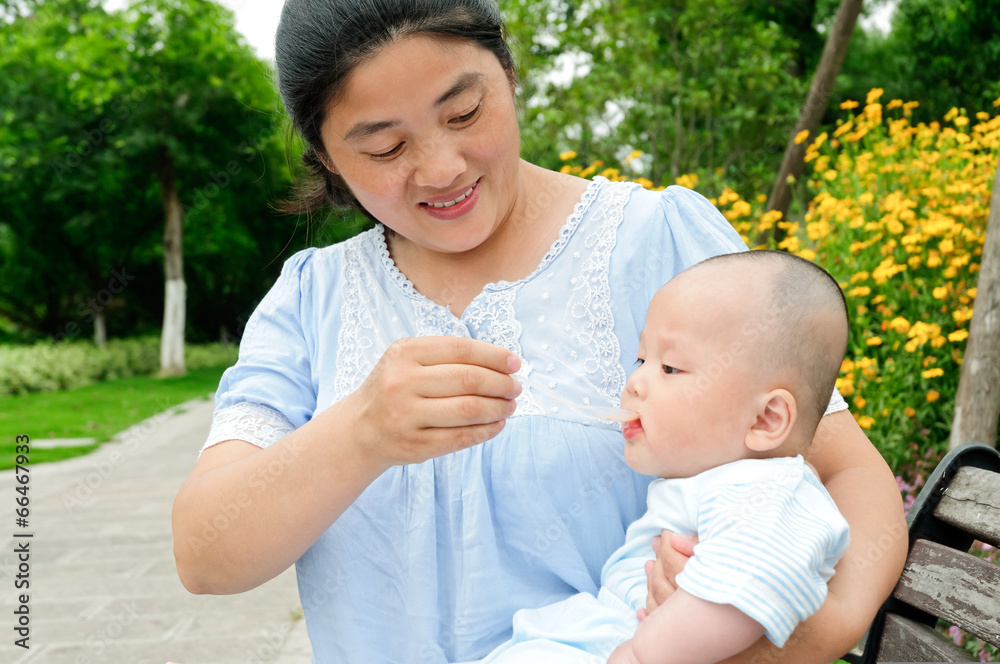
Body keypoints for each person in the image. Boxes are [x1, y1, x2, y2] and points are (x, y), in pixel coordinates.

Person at [170, 1, 907, 662]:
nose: (442, 168)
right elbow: (206, 553)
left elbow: (846, 469)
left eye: (464, 113)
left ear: (510, 74)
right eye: (386, 149)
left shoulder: (661, 245)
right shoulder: (310, 300)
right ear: (327, 158)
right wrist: (361, 433)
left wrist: (815, 636)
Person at [467, 250, 852, 664]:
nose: (635, 382)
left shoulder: (769, 492)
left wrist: (642, 656)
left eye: (669, 367)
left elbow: (755, 581)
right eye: (641, 359)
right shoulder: (722, 482)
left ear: (765, 419)